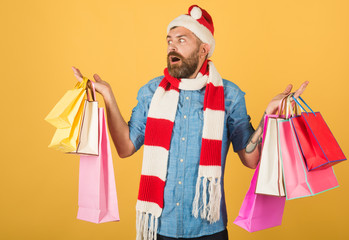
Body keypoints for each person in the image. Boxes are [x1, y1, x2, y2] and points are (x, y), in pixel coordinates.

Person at [72, 5, 308, 240]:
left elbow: (251, 159)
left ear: (204, 49)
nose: (172, 47)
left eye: (182, 40)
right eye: (169, 41)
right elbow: (125, 148)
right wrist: (109, 97)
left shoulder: (229, 95)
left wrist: (269, 116)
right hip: (159, 229)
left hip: (209, 231)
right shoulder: (151, 93)